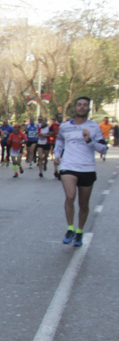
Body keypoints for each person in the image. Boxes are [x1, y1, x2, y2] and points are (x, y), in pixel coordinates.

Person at [54, 97, 107, 246]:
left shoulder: (94, 127)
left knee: (83, 204)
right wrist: (57, 155)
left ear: (89, 109)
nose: (82, 108)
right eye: (79, 105)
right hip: (68, 166)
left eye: (85, 105)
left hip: (87, 167)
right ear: (75, 108)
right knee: (70, 196)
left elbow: (103, 148)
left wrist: (89, 140)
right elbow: (59, 141)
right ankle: (70, 228)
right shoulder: (65, 127)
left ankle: (79, 231)